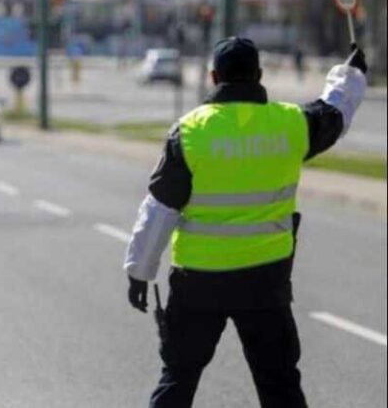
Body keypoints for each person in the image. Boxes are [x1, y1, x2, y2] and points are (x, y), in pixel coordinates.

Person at [123, 37, 368, 408]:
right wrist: (349, 74)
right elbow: (334, 114)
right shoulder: (290, 124)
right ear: (259, 74)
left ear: (213, 76)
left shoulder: (190, 132)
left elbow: (160, 208)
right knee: (280, 385)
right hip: (265, 282)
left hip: (199, 281)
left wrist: (139, 271)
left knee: (179, 378)